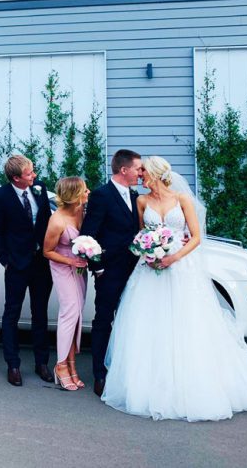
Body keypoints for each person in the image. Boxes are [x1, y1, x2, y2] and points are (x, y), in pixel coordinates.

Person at [102, 156, 247, 421]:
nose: (141, 176)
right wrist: (147, 252)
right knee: (150, 323)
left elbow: (196, 237)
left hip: (180, 267)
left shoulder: (181, 199)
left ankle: (189, 383)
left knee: (186, 323)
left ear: (156, 174)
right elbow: (141, 235)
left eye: (144, 172)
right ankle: (152, 384)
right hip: (149, 271)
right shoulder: (142, 201)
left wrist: (173, 257)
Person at [80, 149, 142, 396]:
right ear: (124, 170)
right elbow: (88, 235)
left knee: (131, 320)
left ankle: (125, 370)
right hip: (110, 271)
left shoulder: (136, 196)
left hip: (137, 271)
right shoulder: (101, 195)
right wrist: (98, 267)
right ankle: (100, 373)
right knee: (104, 320)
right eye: (138, 168)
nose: (141, 173)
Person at [0, 155, 53, 387]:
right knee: (12, 314)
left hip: (41, 263)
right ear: (16, 178)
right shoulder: (0, 197)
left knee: (40, 313)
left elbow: (46, 222)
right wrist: (6, 261)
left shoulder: (39, 189)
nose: (34, 175)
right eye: (29, 173)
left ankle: (42, 363)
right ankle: (13, 364)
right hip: (17, 264)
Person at [43, 176, 89, 391]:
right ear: (74, 195)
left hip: (80, 269)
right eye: (84, 190)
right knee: (69, 312)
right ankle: (61, 365)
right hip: (62, 267)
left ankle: (72, 364)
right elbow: (47, 251)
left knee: (77, 314)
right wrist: (71, 261)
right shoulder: (57, 220)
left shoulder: (82, 211)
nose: (88, 192)